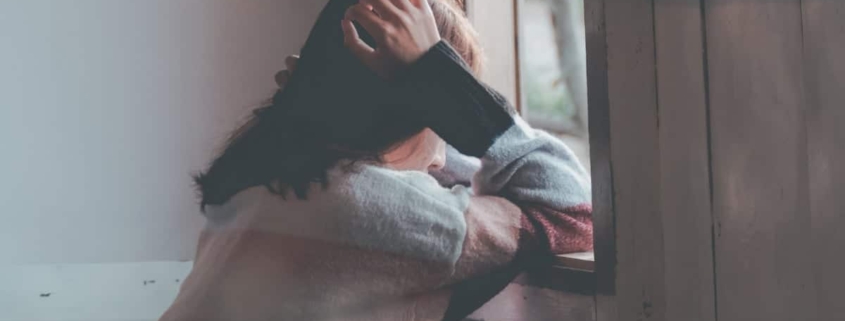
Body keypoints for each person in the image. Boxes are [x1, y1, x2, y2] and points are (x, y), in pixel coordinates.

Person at [160, 0, 592, 320]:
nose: (446, 157)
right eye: (442, 122)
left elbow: (428, 164)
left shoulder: (261, 184)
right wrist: (446, 84)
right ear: (420, 114)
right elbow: (572, 210)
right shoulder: (374, 211)